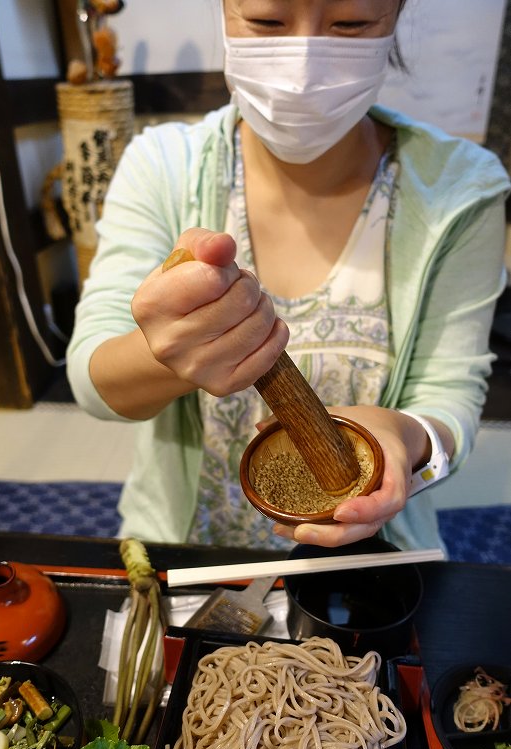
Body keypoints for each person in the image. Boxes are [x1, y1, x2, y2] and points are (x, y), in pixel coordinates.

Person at [67, 0, 510, 553]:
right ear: (224, 12)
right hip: (185, 555)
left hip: (373, 569)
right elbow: (91, 382)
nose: (304, 67)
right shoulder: (161, 165)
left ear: (395, 16)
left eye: (351, 24)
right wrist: (169, 353)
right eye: (267, 22)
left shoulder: (462, 190)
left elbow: (449, 396)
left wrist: (402, 436)